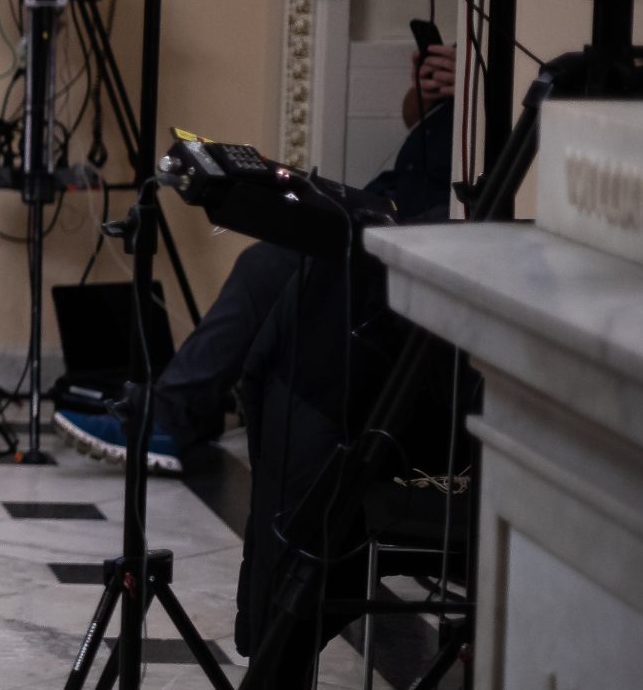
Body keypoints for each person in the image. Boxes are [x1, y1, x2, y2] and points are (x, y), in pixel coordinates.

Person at [55, 37, 456, 474]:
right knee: (268, 256)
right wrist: (425, 92)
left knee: (282, 265)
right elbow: (414, 117)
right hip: (390, 197)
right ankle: (180, 413)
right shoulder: (465, 50)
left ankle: (173, 415)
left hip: (437, 223)